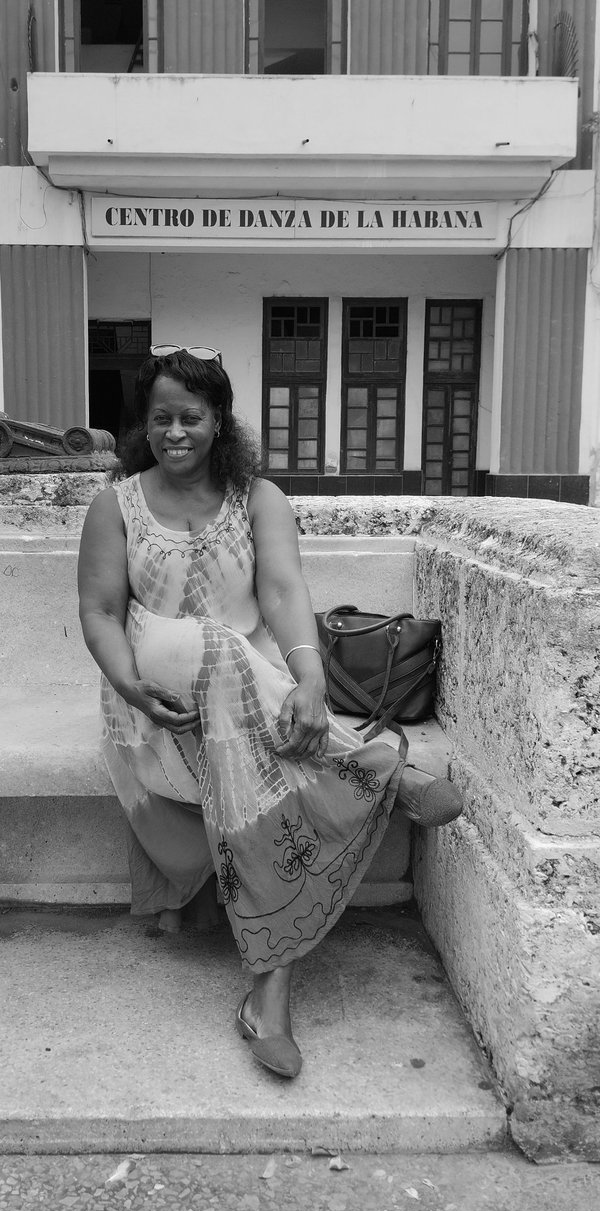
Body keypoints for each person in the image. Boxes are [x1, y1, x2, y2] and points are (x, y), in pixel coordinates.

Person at [77, 346, 462, 1079]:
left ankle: (270, 992)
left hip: (245, 705)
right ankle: (369, 764)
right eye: (161, 418)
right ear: (143, 424)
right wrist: (128, 685)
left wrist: (311, 680)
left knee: (244, 734)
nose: (176, 432)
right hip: (151, 699)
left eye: (191, 416)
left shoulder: (257, 498)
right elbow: (98, 613)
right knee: (221, 648)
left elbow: (285, 596)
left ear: (220, 420)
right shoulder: (116, 503)